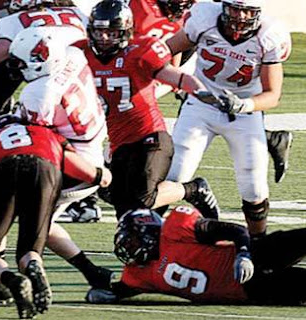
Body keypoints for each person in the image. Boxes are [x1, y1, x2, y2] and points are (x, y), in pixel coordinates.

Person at [164, 0, 292, 238]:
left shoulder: (269, 35)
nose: (241, 16)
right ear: (223, 6)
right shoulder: (204, 17)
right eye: (235, 8)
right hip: (201, 104)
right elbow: (165, 49)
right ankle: (150, 236)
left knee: (253, 186)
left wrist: (245, 104)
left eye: (247, 11)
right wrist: (177, 78)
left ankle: (258, 246)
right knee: (174, 175)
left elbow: (273, 94)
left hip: (244, 112)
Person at [85, 0, 221, 220]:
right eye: (99, 31)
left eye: (111, 32)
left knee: (142, 199)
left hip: (150, 137)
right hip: (119, 141)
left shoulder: (140, 51)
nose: (104, 38)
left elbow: (176, 75)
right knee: (123, 209)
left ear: (125, 31)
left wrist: (200, 91)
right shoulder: (80, 53)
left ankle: (194, 189)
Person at [0, 114, 112, 319]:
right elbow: (76, 166)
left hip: (8, 169)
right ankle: (33, 267)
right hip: (47, 171)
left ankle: (10, 281)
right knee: (29, 249)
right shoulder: (46, 133)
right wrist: (99, 176)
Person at [87, 206, 306, 306]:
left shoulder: (176, 228)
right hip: (249, 291)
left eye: (132, 242)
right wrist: (96, 295)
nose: (129, 249)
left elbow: (235, 230)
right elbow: (116, 291)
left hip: (254, 255)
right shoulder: (139, 274)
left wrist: (244, 254)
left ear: (149, 232)